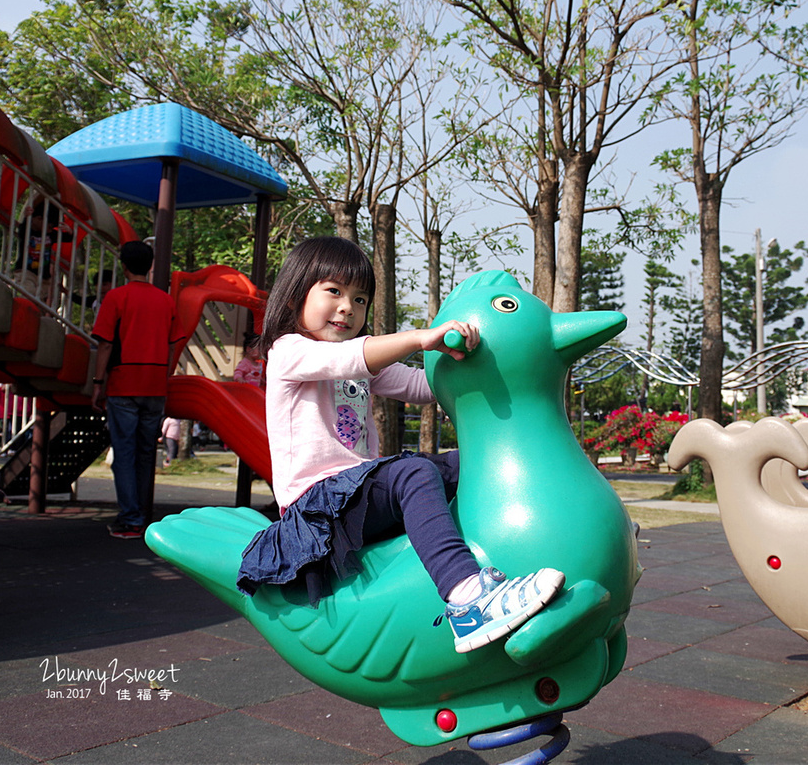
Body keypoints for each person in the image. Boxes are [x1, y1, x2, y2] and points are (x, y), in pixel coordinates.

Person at [236, 237, 564, 654]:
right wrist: (422, 338)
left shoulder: (356, 360)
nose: (347, 308)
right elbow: (355, 357)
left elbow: (422, 385)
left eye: (359, 298)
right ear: (293, 296)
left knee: (478, 463)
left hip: (357, 493)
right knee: (412, 472)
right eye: (333, 291)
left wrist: (481, 368)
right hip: (318, 509)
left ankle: (549, 535)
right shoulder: (289, 352)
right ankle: (467, 599)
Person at [92, 241, 184, 539]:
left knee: (125, 452)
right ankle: (141, 516)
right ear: (150, 265)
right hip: (155, 383)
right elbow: (174, 342)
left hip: (123, 382)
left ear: (124, 265)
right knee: (146, 452)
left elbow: (105, 343)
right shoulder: (166, 301)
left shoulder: (116, 297)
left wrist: (97, 383)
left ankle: (130, 516)